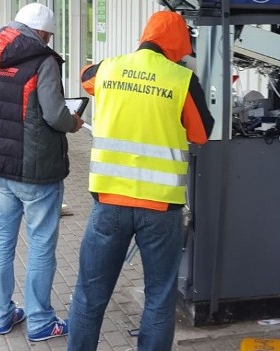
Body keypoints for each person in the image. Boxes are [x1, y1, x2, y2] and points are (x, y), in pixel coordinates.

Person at [67, 10, 214, 351]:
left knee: (90, 295)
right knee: (159, 299)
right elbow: (202, 134)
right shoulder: (181, 80)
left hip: (109, 203)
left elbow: (84, 76)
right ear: (177, 44)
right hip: (160, 208)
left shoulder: (107, 69)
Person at [0, 2, 83, 342]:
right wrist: (74, 122)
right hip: (35, 169)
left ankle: (1, 315)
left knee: (1, 242)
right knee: (40, 246)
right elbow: (54, 114)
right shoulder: (42, 61)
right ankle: (39, 322)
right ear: (43, 33)